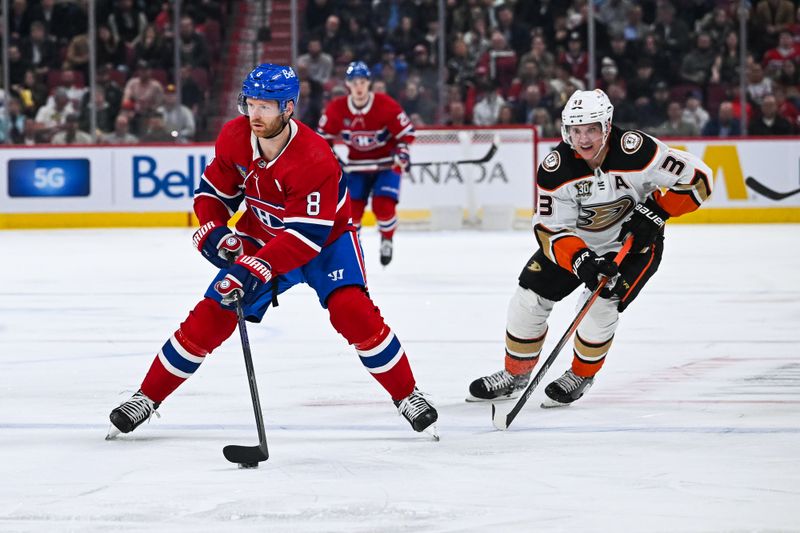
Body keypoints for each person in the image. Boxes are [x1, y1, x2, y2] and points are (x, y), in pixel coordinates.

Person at [107, 64, 437, 440]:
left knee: (352, 313)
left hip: (326, 243)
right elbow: (212, 194)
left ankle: (407, 394)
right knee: (214, 311)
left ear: (288, 108)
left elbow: (305, 237)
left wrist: (255, 266)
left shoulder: (314, 157)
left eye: (266, 106)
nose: (255, 114)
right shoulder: (234, 137)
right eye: (250, 103)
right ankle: (146, 397)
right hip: (263, 236)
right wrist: (214, 231)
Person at [467, 89, 713, 407]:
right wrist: (580, 258)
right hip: (579, 244)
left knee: (599, 304)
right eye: (576, 130)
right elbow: (549, 229)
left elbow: (699, 178)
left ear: (607, 127)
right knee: (527, 299)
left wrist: (658, 212)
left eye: (592, 129)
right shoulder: (557, 168)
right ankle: (515, 373)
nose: (584, 139)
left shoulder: (638, 151)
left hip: (634, 247)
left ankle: (581, 374)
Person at [317, 61, 415, 266]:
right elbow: (321, 139)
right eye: (354, 82)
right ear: (347, 85)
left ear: (369, 83)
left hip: (386, 165)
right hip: (357, 167)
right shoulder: (337, 109)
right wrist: (333, 160)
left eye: (362, 82)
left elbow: (407, 134)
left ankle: (387, 239)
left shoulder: (385, 105)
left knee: (384, 206)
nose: (359, 87)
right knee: (352, 213)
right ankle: (354, 246)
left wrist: (402, 151)